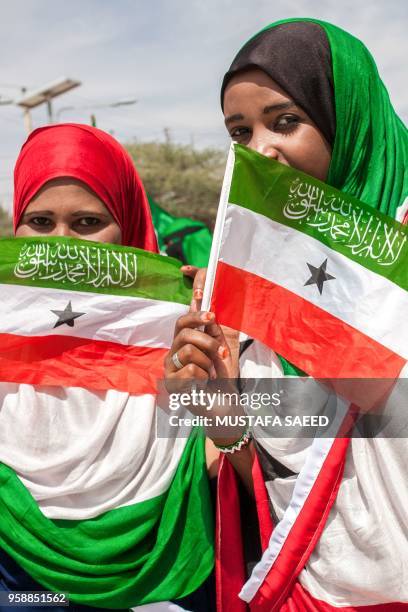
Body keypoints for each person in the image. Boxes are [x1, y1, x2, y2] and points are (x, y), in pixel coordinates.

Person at [166, 19, 408, 609]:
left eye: (285, 122)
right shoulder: (250, 304)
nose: (260, 152)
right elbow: (279, 495)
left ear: (347, 122)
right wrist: (221, 416)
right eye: (239, 133)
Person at [0, 124, 215, 612]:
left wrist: (224, 349)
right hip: (22, 587)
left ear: (128, 224)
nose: (62, 245)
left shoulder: (181, 329)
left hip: (162, 580)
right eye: (39, 221)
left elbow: (352, 420)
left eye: (86, 223)